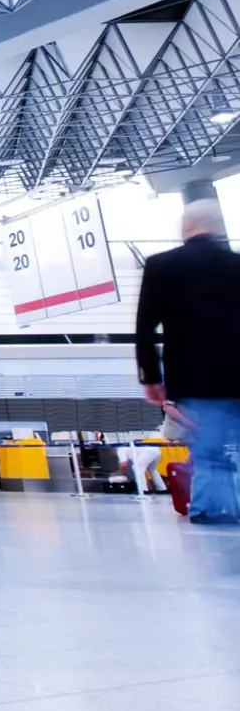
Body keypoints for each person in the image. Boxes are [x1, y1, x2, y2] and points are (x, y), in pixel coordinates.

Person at [135, 198, 240, 523]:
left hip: (195, 378)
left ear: (186, 227)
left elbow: (145, 326)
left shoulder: (162, 266)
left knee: (208, 452)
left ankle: (209, 510)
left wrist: (150, 377)